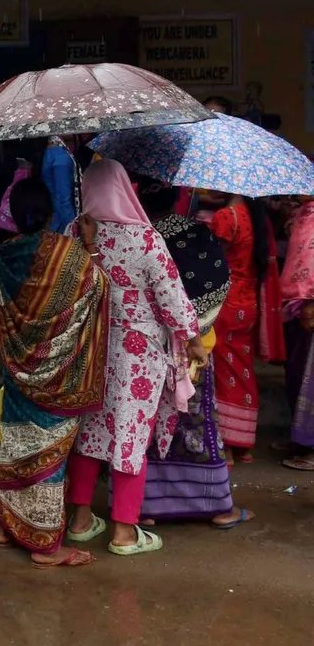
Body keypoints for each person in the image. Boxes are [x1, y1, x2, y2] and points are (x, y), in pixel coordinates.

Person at [65, 159, 205, 555]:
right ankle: (125, 532)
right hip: (137, 352)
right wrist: (193, 341)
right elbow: (173, 300)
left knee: (88, 432)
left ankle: (80, 520)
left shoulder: (74, 231)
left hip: (89, 346)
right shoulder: (144, 239)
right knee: (130, 433)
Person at [0, 179, 110, 567]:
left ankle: (6, 526)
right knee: (50, 459)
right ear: (52, 213)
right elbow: (98, 288)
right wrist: (91, 245)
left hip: (18, 373)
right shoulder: (70, 254)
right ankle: (44, 545)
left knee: (15, 448)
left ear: (12, 215)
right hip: (60, 377)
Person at [134, 177, 252, 528]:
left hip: (147, 350)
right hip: (193, 348)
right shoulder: (198, 235)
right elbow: (219, 284)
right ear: (176, 198)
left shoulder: (136, 237)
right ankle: (215, 506)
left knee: (151, 426)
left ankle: (146, 505)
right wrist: (193, 332)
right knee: (197, 421)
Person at [208, 193, 284, 463]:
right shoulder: (258, 219)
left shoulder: (226, 218)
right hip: (249, 303)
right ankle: (244, 444)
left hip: (226, 302)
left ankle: (226, 444)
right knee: (241, 367)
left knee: (222, 369)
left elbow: (213, 261)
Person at [280, 197, 314, 471]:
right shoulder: (304, 213)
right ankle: (300, 439)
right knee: (296, 374)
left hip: (310, 304)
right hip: (296, 304)